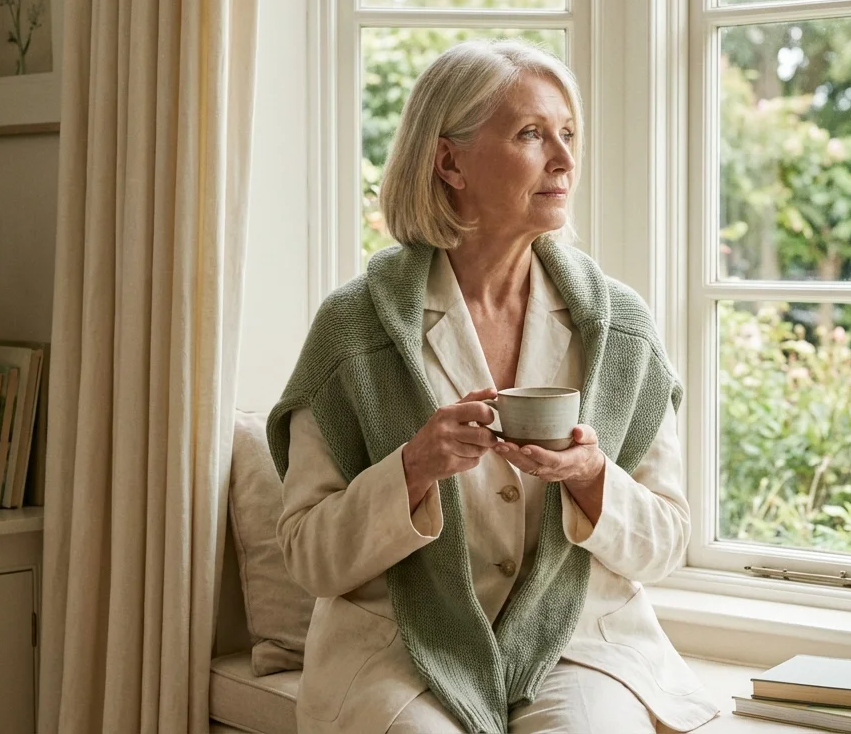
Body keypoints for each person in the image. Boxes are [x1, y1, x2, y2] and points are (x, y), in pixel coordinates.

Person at [266, 39, 719, 734]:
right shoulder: (353, 329)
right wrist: (413, 469)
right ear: (449, 161)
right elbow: (307, 554)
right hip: (398, 648)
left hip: (580, 643)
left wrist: (593, 477)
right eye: (532, 134)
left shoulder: (619, 329)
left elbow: (664, 542)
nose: (565, 160)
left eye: (568, 134)